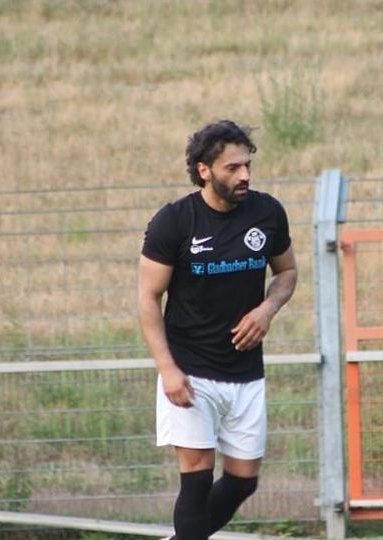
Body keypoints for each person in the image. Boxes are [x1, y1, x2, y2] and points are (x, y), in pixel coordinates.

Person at [137, 120, 297, 540]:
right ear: (204, 170)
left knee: (243, 481)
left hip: (245, 371)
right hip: (190, 371)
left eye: (247, 166)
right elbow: (148, 298)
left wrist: (267, 310)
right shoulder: (174, 221)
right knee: (197, 478)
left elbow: (287, 272)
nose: (244, 175)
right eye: (232, 168)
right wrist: (167, 369)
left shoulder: (267, 213)